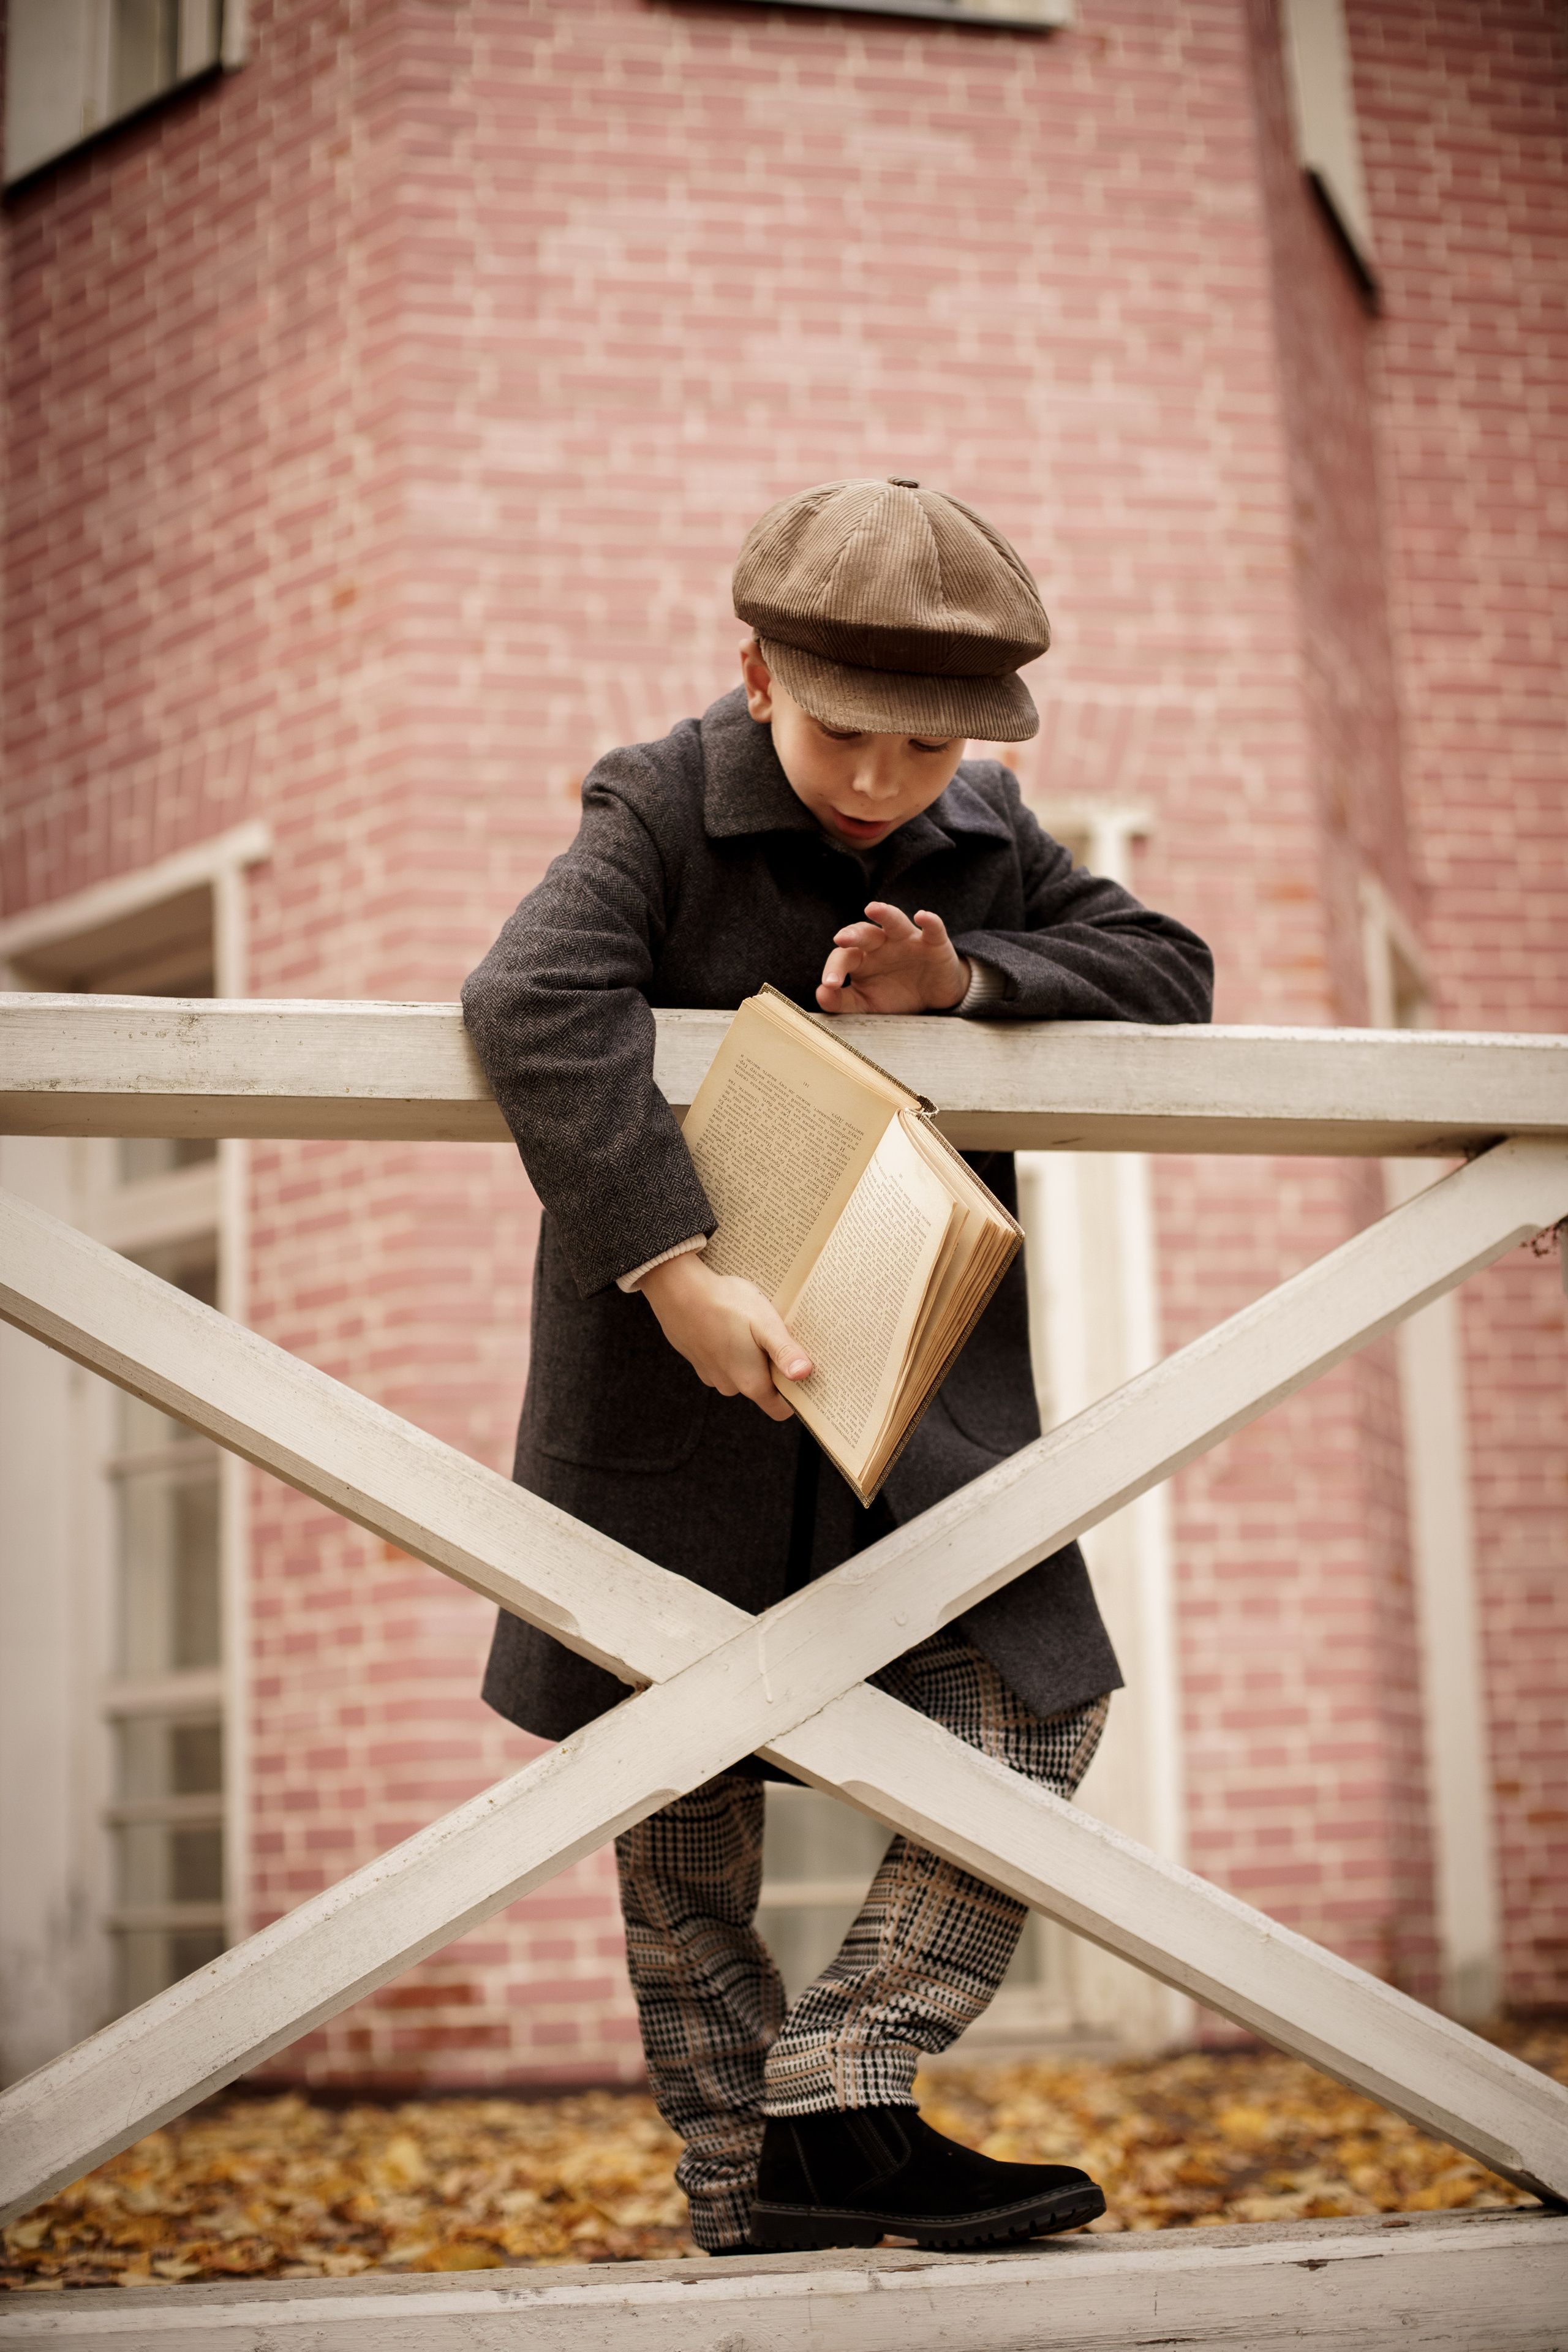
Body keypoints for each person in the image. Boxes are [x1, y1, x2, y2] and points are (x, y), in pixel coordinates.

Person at [462, 477, 1213, 2255]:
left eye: (928, 745)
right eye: (845, 736)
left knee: (1040, 1699)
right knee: (681, 1794)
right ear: (755, 677)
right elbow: (530, 999)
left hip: (910, 1403)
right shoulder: (656, 800)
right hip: (677, 1392)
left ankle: (843, 2081)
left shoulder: (990, 825)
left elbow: (1170, 971)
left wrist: (973, 979)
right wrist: (674, 1271)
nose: (885, 780)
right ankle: (747, 2190)